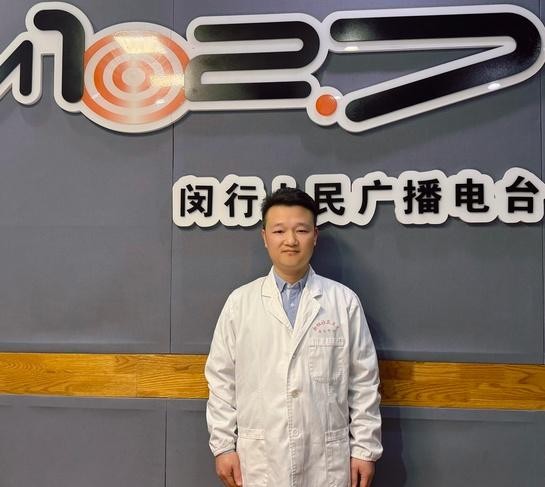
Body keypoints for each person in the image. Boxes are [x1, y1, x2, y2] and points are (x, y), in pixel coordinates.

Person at [205, 188, 382, 487]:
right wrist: (223, 446)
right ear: (264, 237)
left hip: (325, 462)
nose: (290, 240)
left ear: (315, 235)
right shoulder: (240, 303)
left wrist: (365, 449)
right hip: (260, 461)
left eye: (301, 230)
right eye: (279, 231)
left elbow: (363, 382)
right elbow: (221, 381)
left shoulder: (343, 302)